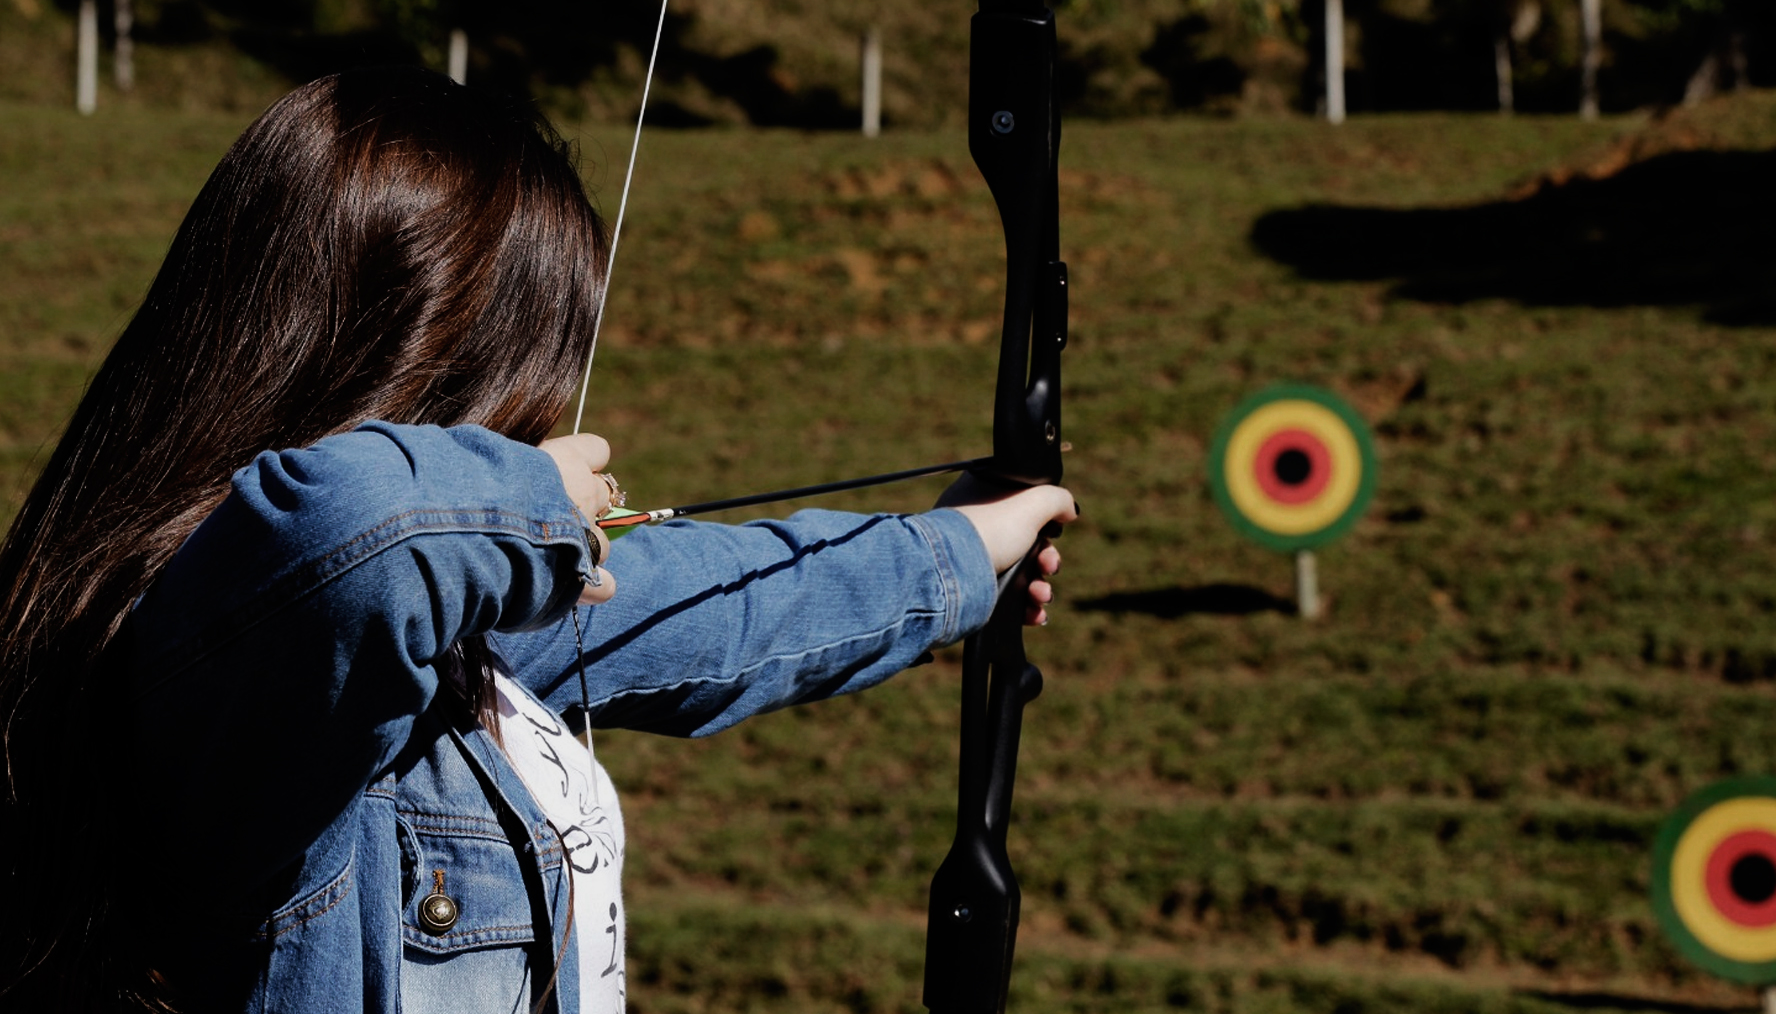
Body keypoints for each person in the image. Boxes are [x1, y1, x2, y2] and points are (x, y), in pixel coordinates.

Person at [0, 67, 1074, 1013]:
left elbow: (731, 603)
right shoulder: (231, 649)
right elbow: (349, 531)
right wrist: (537, 506)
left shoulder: (450, 643)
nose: (549, 419)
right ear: (429, 350)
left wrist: (962, 546)